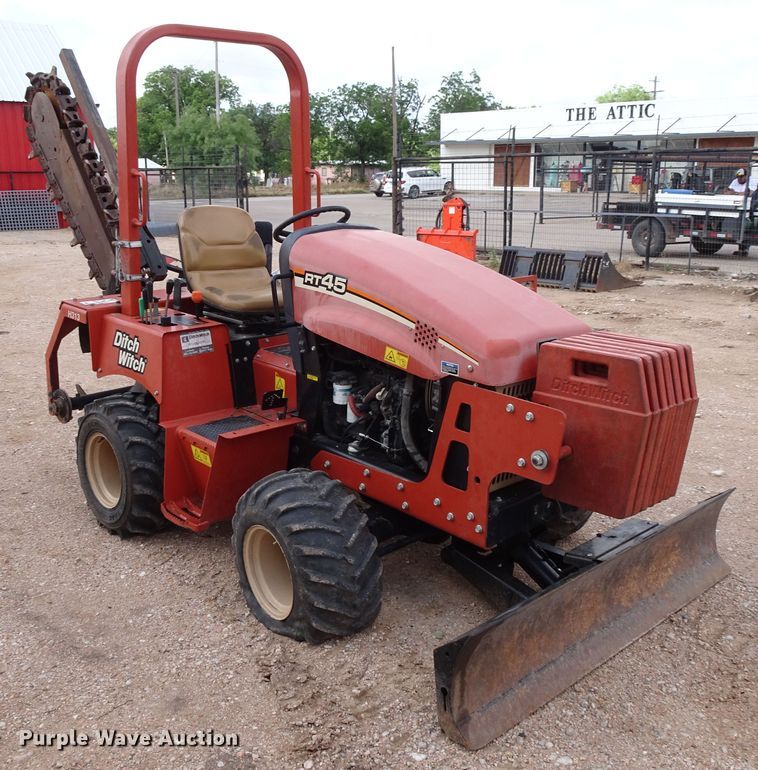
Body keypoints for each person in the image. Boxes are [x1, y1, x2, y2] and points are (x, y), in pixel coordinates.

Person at [724, 169, 757, 255]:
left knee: (746, 227)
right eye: (738, 177)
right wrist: (739, 193)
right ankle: (742, 249)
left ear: (746, 176)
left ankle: (744, 249)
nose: (739, 179)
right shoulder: (735, 181)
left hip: (748, 208)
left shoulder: (752, 181)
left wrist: (734, 193)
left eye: (741, 177)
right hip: (732, 206)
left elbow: (749, 193)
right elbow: (726, 191)